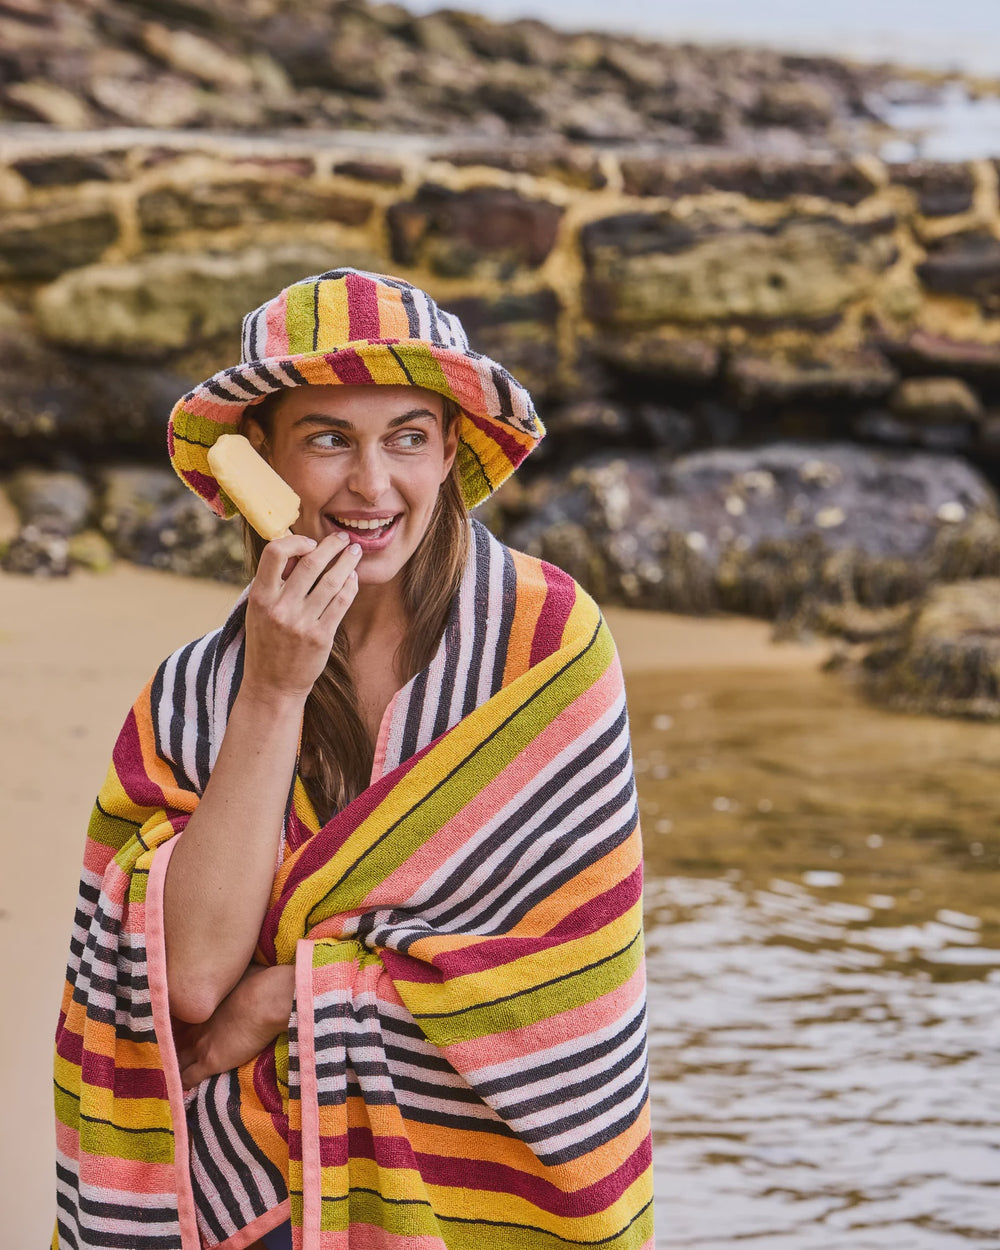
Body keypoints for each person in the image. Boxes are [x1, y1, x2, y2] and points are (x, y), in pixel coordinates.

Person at [53, 268, 654, 1250]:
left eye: (405, 436)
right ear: (261, 461)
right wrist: (274, 689)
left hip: (468, 1193)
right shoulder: (197, 693)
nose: (372, 487)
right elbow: (191, 979)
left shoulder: (544, 644)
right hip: (254, 1185)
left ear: (451, 447)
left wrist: (291, 989)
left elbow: (560, 981)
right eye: (328, 437)